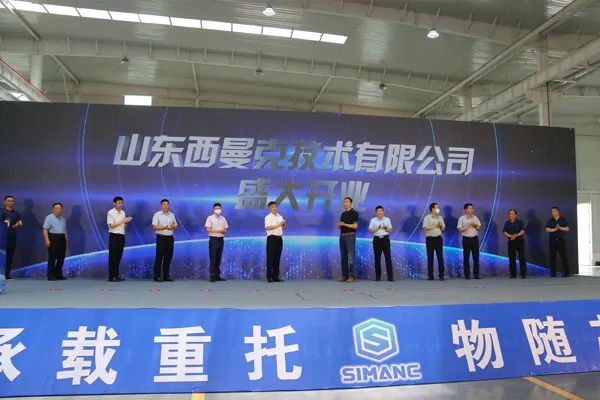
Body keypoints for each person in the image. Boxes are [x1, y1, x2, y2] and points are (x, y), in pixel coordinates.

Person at [106, 196, 132, 282]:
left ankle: (116, 275)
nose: (121, 204)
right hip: (114, 236)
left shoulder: (123, 212)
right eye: (119, 203)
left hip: (121, 236)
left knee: (118, 257)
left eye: (122, 203)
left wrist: (126, 222)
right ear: (114, 203)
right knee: (113, 257)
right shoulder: (110, 212)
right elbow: (111, 225)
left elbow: (123, 226)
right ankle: (111, 276)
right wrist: (122, 221)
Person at [152, 199, 177, 282]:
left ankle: (166, 276)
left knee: (168, 258)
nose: (166, 206)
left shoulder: (172, 215)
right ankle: (157, 276)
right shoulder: (157, 214)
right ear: (161, 206)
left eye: (167, 204)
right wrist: (164, 227)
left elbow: (175, 226)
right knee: (159, 257)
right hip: (161, 238)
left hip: (170, 238)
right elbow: (154, 227)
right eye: (164, 204)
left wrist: (174, 226)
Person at [42, 202, 68, 281]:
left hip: (62, 238)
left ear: (62, 209)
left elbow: (64, 230)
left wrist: (66, 240)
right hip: (53, 238)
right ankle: (51, 275)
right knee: (52, 258)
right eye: (56, 208)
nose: (58, 210)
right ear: (53, 209)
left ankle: (58, 274)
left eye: (60, 208)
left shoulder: (63, 218)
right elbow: (45, 229)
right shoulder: (49, 217)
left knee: (61, 258)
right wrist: (47, 240)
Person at [368, 205, 393, 281]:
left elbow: (390, 230)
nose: (379, 212)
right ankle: (378, 277)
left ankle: (390, 277)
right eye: (378, 211)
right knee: (377, 259)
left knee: (388, 258)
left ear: (383, 211)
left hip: (385, 239)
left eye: (381, 211)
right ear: (376, 212)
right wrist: (378, 228)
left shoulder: (387, 219)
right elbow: (370, 230)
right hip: (377, 240)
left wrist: (385, 227)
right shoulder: (373, 220)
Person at [457, 203, 482, 279]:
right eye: (470, 208)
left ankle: (476, 274)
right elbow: (459, 229)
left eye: (472, 208)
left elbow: (479, 228)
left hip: (475, 239)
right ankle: (467, 274)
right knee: (466, 257)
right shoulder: (462, 218)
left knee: (476, 257)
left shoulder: (475, 218)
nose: (472, 210)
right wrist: (468, 226)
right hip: (466, 239)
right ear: (466, 209)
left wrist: (475, 226)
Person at [337, 197, 359, 283]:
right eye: (344, 202)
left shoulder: (354, 213)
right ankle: (344, 276)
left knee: (351, 257)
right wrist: (339, 225)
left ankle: (352, 276)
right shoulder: (343, 214)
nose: (345, 204)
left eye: (347, 202)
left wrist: (344, 224)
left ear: (351, 203)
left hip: (350, 236)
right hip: (342, 237)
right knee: (343, 257)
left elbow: (355, 226)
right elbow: (341, 226)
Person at [205, 202, 228, 282]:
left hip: (221, 239)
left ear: (221, 209)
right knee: (213, 257)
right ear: (213, 209)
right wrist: (218, 231)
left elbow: (226, 229)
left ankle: (217, 276)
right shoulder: (210, 218)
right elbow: (208, 229)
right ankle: (212, 276)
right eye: (216, 209)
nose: (217, 210)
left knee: (218, 258)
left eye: (219, 208)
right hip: (213, 239)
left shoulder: (223, 218)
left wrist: (223, 231)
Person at [1, 195, 23, 280]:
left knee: (9, 256)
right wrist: (4, 222)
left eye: (12, 201)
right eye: (9, 201)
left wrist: (17, 225)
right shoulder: (1, 211)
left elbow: (20, 223)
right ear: (5, 202)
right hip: (2, 237)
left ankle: (7, 274)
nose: (11, 202)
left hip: (12, 237)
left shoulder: (16, 213)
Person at [545, 207, 570, 277]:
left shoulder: (563, 219)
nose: (552, 213)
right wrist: (555, 229)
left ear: (558, 212)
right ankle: (553, 273)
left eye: (554, 211)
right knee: (552, 257)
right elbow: (547, 229)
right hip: (552, 241)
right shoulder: (550, 220)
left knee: (563, 256)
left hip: (561, 240)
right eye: (552, 211)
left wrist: (560, 228)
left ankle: (566, 273)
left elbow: (567, 228)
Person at [423, 202, 445, 281]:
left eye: (438, 208)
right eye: (437, 207)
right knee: (430, 257)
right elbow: (425, 228)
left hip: (438, 239)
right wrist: (435, 226)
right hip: (430, 239)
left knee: (440, 257)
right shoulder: (427, 218)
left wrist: (441, 227)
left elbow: (443, 229)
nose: (438, 209)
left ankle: (441, 275)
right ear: (432, 209)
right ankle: (430, 276)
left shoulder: (440, 218)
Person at [264, 201, 285, 283]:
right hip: (271, 239)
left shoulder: (280, 216)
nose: (275, 208)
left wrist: (283, 225)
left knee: (277, 258)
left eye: (276, 207)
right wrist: (279, 224)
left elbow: (282, 228)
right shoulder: (268, 217)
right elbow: (268, 227)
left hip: (279, 239)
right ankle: (269, 277)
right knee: (270, 258)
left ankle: (276, 276)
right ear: (269, 208)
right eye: (273, 207)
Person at [503, 209, 526, 279]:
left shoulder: (520, 222)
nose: (510, 215)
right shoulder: (507, 223)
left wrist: (516, 235)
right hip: (511, 242)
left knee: (522, 258)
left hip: (519, 241)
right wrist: (510, 236)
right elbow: (504, 232)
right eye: (509, 214)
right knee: (511, 259)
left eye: (512, 214)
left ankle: (523, 274)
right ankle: (513, 274)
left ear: (516, 215)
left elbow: (522, 231)